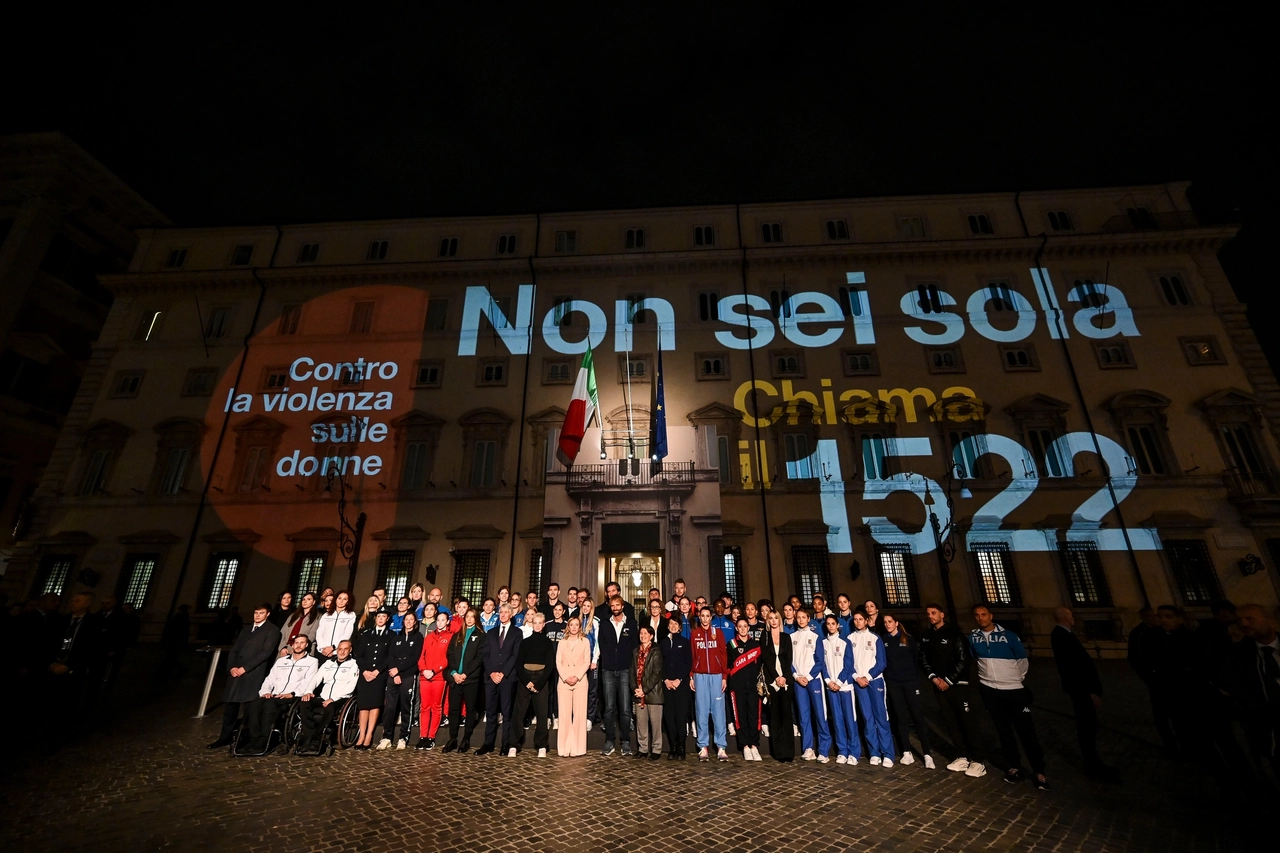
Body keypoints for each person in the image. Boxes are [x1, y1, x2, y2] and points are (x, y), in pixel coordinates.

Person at [969, 605, 1047, 790]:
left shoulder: (1009, 636)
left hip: (1014, 690)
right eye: (977, 615)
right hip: (990, 690)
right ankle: (1014, 766)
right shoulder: (973, 638)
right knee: (1003, 731)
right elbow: (975, 660)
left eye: (984, 614)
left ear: (991, 616)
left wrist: (1014, 680)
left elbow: (1022, 660)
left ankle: (1039, 770)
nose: (980, 618)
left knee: (1026, 731)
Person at [918, 603, 986, 778]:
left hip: (959, 685)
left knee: (967, 721)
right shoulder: (927, 636)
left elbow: (963, 661)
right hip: (939, 685)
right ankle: (962, 755)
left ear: (942, 614)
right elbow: (923, 659)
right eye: (928, 614)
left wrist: (948, 680)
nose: (931, 616)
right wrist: (933, 678)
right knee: (951, 721)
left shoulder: (955, 634)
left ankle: (978, 759)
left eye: (934, 613)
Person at [1050, 607, 1117, 780]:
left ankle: (1094, 763)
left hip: (1081, 688)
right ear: (1065, 617)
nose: (1073, 618)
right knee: (1087, 727)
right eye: (1070, 615)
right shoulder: (1060, 635)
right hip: (1080, 689)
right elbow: (1072, 667)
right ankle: (1093, 766)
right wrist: (1089, 691)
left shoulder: (1064, 634)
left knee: (1089, 726)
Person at [208, 604, 281, 748]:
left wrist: (245, 668)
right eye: (256, 612)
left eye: (261, 613)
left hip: (253, 673)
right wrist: (232, 667)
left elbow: (265, 653)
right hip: (236, 674)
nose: (258, 615)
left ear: (267, 614)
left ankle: (247, 737)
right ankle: (225, 737)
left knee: (250, 708)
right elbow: (235, 649)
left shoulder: (272, 630)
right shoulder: (246, 629)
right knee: (230, 708)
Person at [1229, 604, 1280, 784]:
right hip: (1270, 733)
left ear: (1271, 621)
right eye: (1239, 620)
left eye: (1250, 619)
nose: (1243, 624)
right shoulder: (1238, 656)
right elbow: (1238, 692)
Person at [242, 634, 318, 752]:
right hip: (274, 694)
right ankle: (253, 738)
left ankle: (264, 739)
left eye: (302, 643)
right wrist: (266, 692)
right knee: (255, 703)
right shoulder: (281, 661)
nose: (298, 645)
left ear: (307, 645)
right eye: (296, 643)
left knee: (269, 705)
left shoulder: (312, 662)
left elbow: (308, 682)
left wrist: (292, 693)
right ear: (292, 645)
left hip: (292, 696)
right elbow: (270, 679)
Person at [881, 613, 935, 769]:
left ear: (896, 623)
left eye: (890, 621)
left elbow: (915, 659)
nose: (887, 624)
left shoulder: (907, 639)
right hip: (893, 683)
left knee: (917, 716)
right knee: (901, 717)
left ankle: (927, 754)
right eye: (885, 622)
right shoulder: (884, 640)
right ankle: (906, 751)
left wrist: (913, 679)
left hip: (910, 682)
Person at [297, 639, 359, 754]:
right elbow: (316, 678)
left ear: (350, 650)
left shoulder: (354, 664)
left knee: (330, 707)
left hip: (341, 697)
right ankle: (309, 736)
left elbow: (351, 686)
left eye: (345, 649)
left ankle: (318, 738)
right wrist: (308, 691)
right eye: (340, 649)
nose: (342, 652)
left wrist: (333, 698)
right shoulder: (328, 663)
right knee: (304, 703)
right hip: (324, 696)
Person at [849, 610, 893, 767]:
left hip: (874, 682)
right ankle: (874, 752)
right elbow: (848, 663)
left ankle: (887, 753)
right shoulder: (849, 639)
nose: (858, 622)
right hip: (859, 683)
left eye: (860, 619)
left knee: (881, 716)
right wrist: (857, 678)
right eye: (855, 620)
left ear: (866, 621)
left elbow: (881, 663)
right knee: (867, 718)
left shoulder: (875, 638)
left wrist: (867, 677)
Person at [477, 603, 522, 755]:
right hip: (491, 678)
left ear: (511, 614)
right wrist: (491, 673)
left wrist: (502, 673)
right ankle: (488, 743)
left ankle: (505, 744)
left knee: (507, 712)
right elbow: (485, 654)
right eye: (501, 612)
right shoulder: (491, 633)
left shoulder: (517, 633)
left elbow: (515, 655)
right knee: (490, 712)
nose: (502, 615)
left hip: (507, 678)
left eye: (505, 612)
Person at [598, 594, 639, 756]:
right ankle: (609, 740)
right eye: (612, 605)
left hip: (624, 670)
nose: (615, 608)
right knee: (608, 708)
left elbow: (634, 646)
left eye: (617, 605)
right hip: (608, 669)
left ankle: (626, 742)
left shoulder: (631, 623)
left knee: (625, 708)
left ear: (622, 606)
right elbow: (601, 644)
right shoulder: (605, 624)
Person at [509, 612, 554, 757]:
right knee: (519, 712)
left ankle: (541, 745)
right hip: (525, 679)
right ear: (532, 624)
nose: (538, 625)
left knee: (542, 713)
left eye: (541, 623)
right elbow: (518, 663)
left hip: (541, 679)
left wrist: (539, 683)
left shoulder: (548, 643)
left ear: (544, 625)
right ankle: (514, 744)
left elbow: (549, 665)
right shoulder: (525, 641)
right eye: (536, 623)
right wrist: (526, 681)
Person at [790, 609, 831, 762]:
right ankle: (808, 748)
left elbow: (820, 661)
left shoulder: (815, 637)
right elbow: (790, 661)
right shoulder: (792, 637)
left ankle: (824, 750)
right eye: (798, 617)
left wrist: (807, 676)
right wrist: (796, 676)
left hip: (812, 680)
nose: (800, 620)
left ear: (808, 619)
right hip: (798, 681)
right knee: (803, 716)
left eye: (803, 617)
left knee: (820, 714)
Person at [378, 611, 422, 750]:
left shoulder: (418, 637)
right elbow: (390, 656)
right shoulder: (396, 638)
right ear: (403, 622)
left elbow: (414, 658)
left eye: (411, 619)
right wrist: (394, 672)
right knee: (390, 708)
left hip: (408, 675)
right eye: (406, 619)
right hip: (393, 676)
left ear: (415, 622)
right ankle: (386, 737)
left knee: (405, 707)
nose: (408, 622)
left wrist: (400, 670)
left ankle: (403, 737)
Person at [442, 609, 485, 752]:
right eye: (467, 616)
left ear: (476, 619)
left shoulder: (480, 636)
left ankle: (466, 738)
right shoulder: (457, 636)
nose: (470, 619)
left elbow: (479, 658)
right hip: (455, 678)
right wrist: (454, 673)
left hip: (470, 679)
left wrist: (465, 673)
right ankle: (452, 738)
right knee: (454, 709)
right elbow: (450, 655)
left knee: (470, 709)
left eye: (472, 617)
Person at [691, 606, 729, 761]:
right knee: (701, 711)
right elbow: (693, 656)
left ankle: (721, 747)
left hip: (716, 676)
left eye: (708, 616)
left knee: (719, 712)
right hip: (700, 676)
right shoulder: (694, 634)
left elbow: (723, 654)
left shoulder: (718, 633)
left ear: (711, 617)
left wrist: (724, 676)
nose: (705, 618)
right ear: (699, 617)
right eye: (702, 616)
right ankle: (703, 746)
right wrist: (692, 675)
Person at [352, 606, 393, 749]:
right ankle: (361, 734)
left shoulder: (391, 635)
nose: (381, 619)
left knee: (375, 704)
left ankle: (369, 734)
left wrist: (377, 671)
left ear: (387, 619)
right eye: (379, 616)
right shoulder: (366, 634)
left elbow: (389, 656)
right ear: (375, 618)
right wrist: (364, 671)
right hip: (365, 674)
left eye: (383, 617)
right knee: (363, 705)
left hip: (379, 675)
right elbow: (359, 654)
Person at [821, 614, 859, 765]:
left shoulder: (845, 642)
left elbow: (849, 664)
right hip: (831, 687)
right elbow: (822, 665)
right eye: (828, 624)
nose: (830, 626)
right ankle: (842, 751)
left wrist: (838, 681)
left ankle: (854, 752)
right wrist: (829, 682)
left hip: (845, 687)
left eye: (833, 623)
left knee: (850, 720)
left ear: (838, 625)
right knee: (837, 721)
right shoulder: (823, 643)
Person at [415, 611, 454, 749]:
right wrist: (424, 669)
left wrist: (434, 670)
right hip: (425, 676)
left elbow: (448, 658)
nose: (440, 622)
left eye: (443, 620)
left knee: (436, 707)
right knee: (424, 707)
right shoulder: (429, 637)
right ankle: (422, 736)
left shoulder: (450, 637)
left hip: (438, 677)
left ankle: (431, 737)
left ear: (447, 621)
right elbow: (421, 655)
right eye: (438, 620)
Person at [553, 615, 591, 757]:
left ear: (580, 627)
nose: (574, 627)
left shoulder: (585, 642)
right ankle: (564, 748)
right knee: (564, 715)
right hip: (564, 682)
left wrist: (577, 677)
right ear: (568, 626)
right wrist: (566, 677)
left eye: (576, 624)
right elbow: (558, 662)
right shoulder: (562, 642)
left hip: (580, 681)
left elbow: (587, 661)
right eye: (571, 624)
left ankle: (578, 748)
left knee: (580, 715)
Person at [760, 609, 795, 762]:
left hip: (786, 681)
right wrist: (776, 677)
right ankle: (778, 752)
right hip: (772, 681)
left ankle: (789, 752)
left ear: (780, 620)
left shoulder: (786, 637)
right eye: (771, 618)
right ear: (767, 621)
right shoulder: (765, 636)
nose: (774, 620)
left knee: (786, 715)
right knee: (775, 716)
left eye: (776, 618)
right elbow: (766, 659)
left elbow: (789, 660)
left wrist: (784, 678)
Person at [726, 618, 762, 760]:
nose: (742, 629)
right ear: (736, 628)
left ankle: (754, 745)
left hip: (753, 687)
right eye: (740, 626)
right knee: (740, 717)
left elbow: (759, 666)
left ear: (748, 628)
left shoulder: (756, 645)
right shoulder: (731, 645)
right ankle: (745, 746)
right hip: (737, 687)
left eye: (745, 626)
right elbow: (728, 666)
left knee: (754, 716)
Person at [631, 624, 665, 760]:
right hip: (638, 692)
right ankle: (643, 748)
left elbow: (656, 674)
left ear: (651, 636)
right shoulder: (635, 651)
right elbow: (632, 672)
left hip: (653, 693)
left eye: (646, 633)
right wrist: (636, 688)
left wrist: (644, 690)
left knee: (655, 724)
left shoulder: (656, 651)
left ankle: (656, 749)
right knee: (641, 722)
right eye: (641, 633)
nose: (643, 636)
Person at [661, 613, 692, 759]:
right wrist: (666, 679)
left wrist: (679, 679)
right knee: (669, 716)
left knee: (680, 716)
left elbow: (688, 663)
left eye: (676, 624)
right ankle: (672, 746)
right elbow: (660, 664)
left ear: (679, 627)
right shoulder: (663, 643)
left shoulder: (685, 642)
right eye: (671, 624)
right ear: (668, 626)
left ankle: (681, 746)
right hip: (667, 685)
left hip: (681, 685)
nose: (673, 626)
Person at [578, 596, 601, 730]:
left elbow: (598, 643)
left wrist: (594, 661)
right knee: (580, 690)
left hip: (591, 663)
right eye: (584, 606)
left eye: (588, 606)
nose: (586, 608)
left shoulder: (596, 622)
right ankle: (580, 716)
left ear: (591, 608)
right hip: (579, 663)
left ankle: (589, 718)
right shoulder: (578, 621)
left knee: (592, 691)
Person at [277, 592, 320, 657]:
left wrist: (299, 645)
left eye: (308, 599)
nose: (305, 601)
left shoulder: (317, 616)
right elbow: (283, 632)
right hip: (286, 649)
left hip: (303, 649)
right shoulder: (293, 615)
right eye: (303, 599)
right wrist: (282, 647)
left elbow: (313, 634)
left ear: (314, 602)